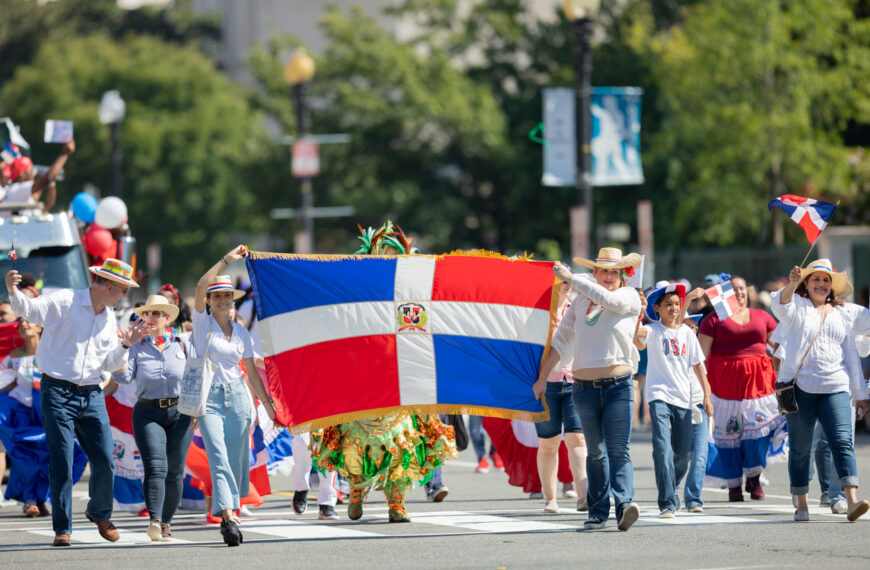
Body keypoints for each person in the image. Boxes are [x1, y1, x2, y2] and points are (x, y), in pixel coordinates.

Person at [310, 223, 458, 523]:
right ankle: (355, 490)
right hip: (360, 388)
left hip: (399, 386)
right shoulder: (353, 305)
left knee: (402, 445)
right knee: (355, 444)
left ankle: (397, 504)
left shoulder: (409, 305)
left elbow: (421, 336)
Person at [5, 258, 145, 547]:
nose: (125, 296)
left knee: (106, 459)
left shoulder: (109, 319)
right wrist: (13, 291)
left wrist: (126, 345)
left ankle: (99, 512)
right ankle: (62, 527)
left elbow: (110, 363)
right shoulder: (65, 300)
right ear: (109, 286)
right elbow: (28, 310)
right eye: (123, 290)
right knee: (61, 460)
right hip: (56, 391)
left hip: (92, 392)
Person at [538, 247, 643, 531]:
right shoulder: (580, 301)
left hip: (618, 386)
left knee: (618, 450)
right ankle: (597, 511)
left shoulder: (628, 296)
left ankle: (623, 505)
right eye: (603, 271)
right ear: (594, 273)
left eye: (614, 272)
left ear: (622, 276)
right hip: (583, 389)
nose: (608, 276)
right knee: (595, 452)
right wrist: (543, 378)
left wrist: (571, 278)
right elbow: (560, 341)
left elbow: (609, 300)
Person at [771, 260, 870, 522]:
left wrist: (860, 393)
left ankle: (851, 500)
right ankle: (802, 503)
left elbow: (851, 357)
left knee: (842, 442)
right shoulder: (796, 308)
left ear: (832, 287)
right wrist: (791, 284)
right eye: (816, 279)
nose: (822, 284)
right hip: (800, 389)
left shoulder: (843, 314)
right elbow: (778, 305)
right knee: (801, 448)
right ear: (806, 283)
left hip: (836, 387)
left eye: (826, 281)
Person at [193, 245, 276, 547]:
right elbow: (202, 283)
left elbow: (252, 374)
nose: (222, 300)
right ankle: (228, 517)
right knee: (217, 456)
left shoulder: (241, 333)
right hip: (210, 400)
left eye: (227, 296)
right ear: (209, 302)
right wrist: (228, 259)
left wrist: (267, 408)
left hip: (240, 398)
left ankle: (231, 506)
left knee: (239, 460)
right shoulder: (203, 325)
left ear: (232, 301)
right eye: (217, 296)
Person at [112, 294, 194, 541]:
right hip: (148, 412)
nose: (149, 318)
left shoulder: (182, 345)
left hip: (181, 412)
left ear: (167, 319)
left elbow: (196, 378)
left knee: (175, 470)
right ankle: (155, 520)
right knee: (156, 467)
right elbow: (123, 379)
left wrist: (198, 409)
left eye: (156, 314)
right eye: (146, 314)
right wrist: (123, 348)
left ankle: (167, 521)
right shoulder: (135, 347)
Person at [698, 275, 784, 501]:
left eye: (743, 288)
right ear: (726, 293)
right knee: (729, 435)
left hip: (759, 386)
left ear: (749, 291)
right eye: (734, 289)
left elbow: (781, 348)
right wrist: (700, 388)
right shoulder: (713, 320)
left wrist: (785, 374)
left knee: (758, 434)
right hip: (724, 387)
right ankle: (734, 483)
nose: (740, 292)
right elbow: (700, 357)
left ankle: (754, 479)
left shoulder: (762, 316)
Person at [634, 282, 714, 518]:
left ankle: (671, 487)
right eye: (667, 304)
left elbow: (699, 368)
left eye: (677, 304)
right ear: (657, 308)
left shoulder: (688, 334)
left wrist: (707, 397)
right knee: (661, 448)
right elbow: (636, 333)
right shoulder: (653, 330)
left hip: (684, 399)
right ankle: (667, 502)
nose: (673, 308)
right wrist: (638, 311)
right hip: (658, 395)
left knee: (683, 454)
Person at [531, 281, 587, 513]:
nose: (566, 284)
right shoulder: (538, 314)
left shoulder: (580, 308)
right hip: (546, 385)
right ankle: (550, 499)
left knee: (578, 439)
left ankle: (583, 496)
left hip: (575, 381)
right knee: (548, 444)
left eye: (568, 280)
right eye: (560, 280)